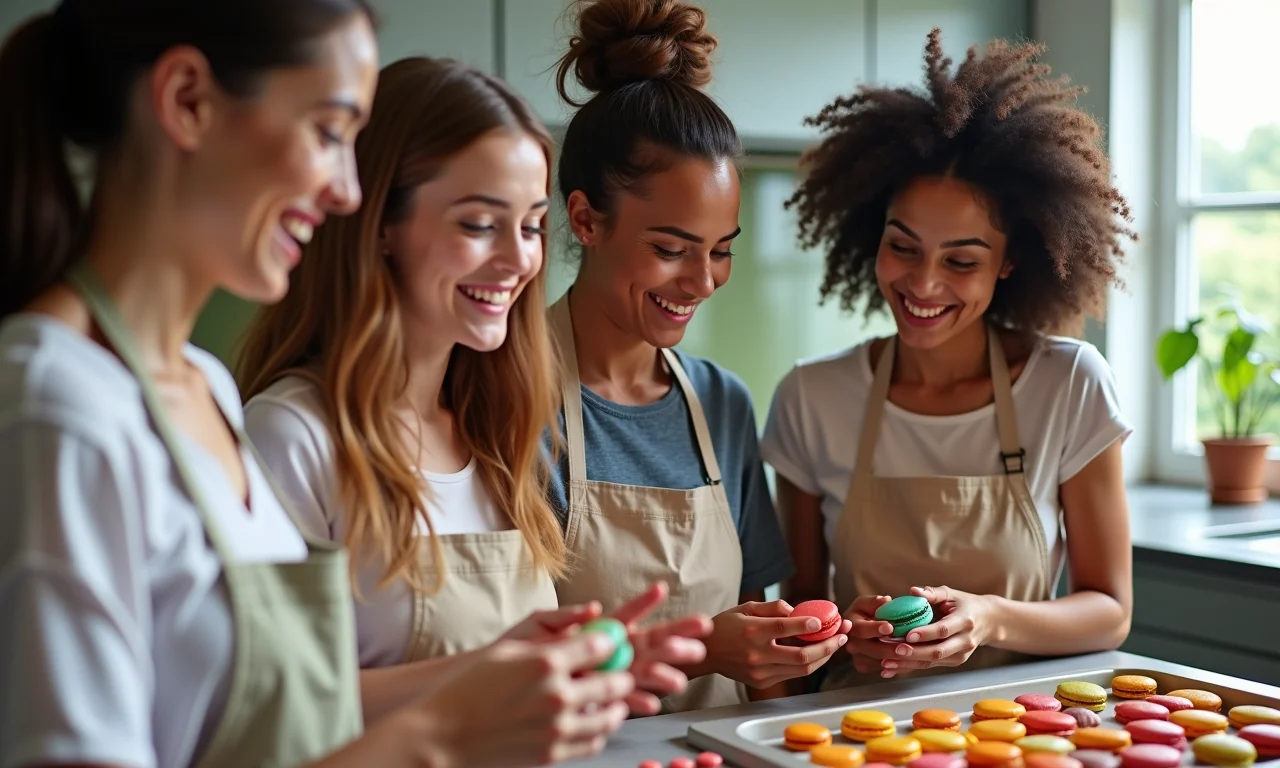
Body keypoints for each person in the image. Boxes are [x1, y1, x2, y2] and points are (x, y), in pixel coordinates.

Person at [0, 3, 643, 766]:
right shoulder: (57, 406)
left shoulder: (201, 389)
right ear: (187, 102)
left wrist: (498, 666)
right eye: (330, 132)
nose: (346, 190)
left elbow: (285, 709)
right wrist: (441, 735)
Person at [236, 55, 707, 720]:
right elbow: (266, 706)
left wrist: (584, 666)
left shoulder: (494, 429)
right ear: (380, 225)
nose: (518, 259)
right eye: (480, 224)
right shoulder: (293, 436)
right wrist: (498, 672)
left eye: (532, 225)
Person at [762, 29, 1137, 692]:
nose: (923, 285)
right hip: (855, 730)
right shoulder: (812, 396)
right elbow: (803, 617)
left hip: (1023, 728)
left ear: (1009, 264)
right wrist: (848, 633)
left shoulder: (1067, 384)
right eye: (902, 247)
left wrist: (988, 619)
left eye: (961, 261)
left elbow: (1108, 612)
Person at [547, 0, 851, 712]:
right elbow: (497, 664)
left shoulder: (721, 403)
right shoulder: (503, 397)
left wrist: (812, 650)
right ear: (586, 219)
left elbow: (758, 653)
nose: (702, 281)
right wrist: (704, 651)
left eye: (721, 251)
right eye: (670, 249)